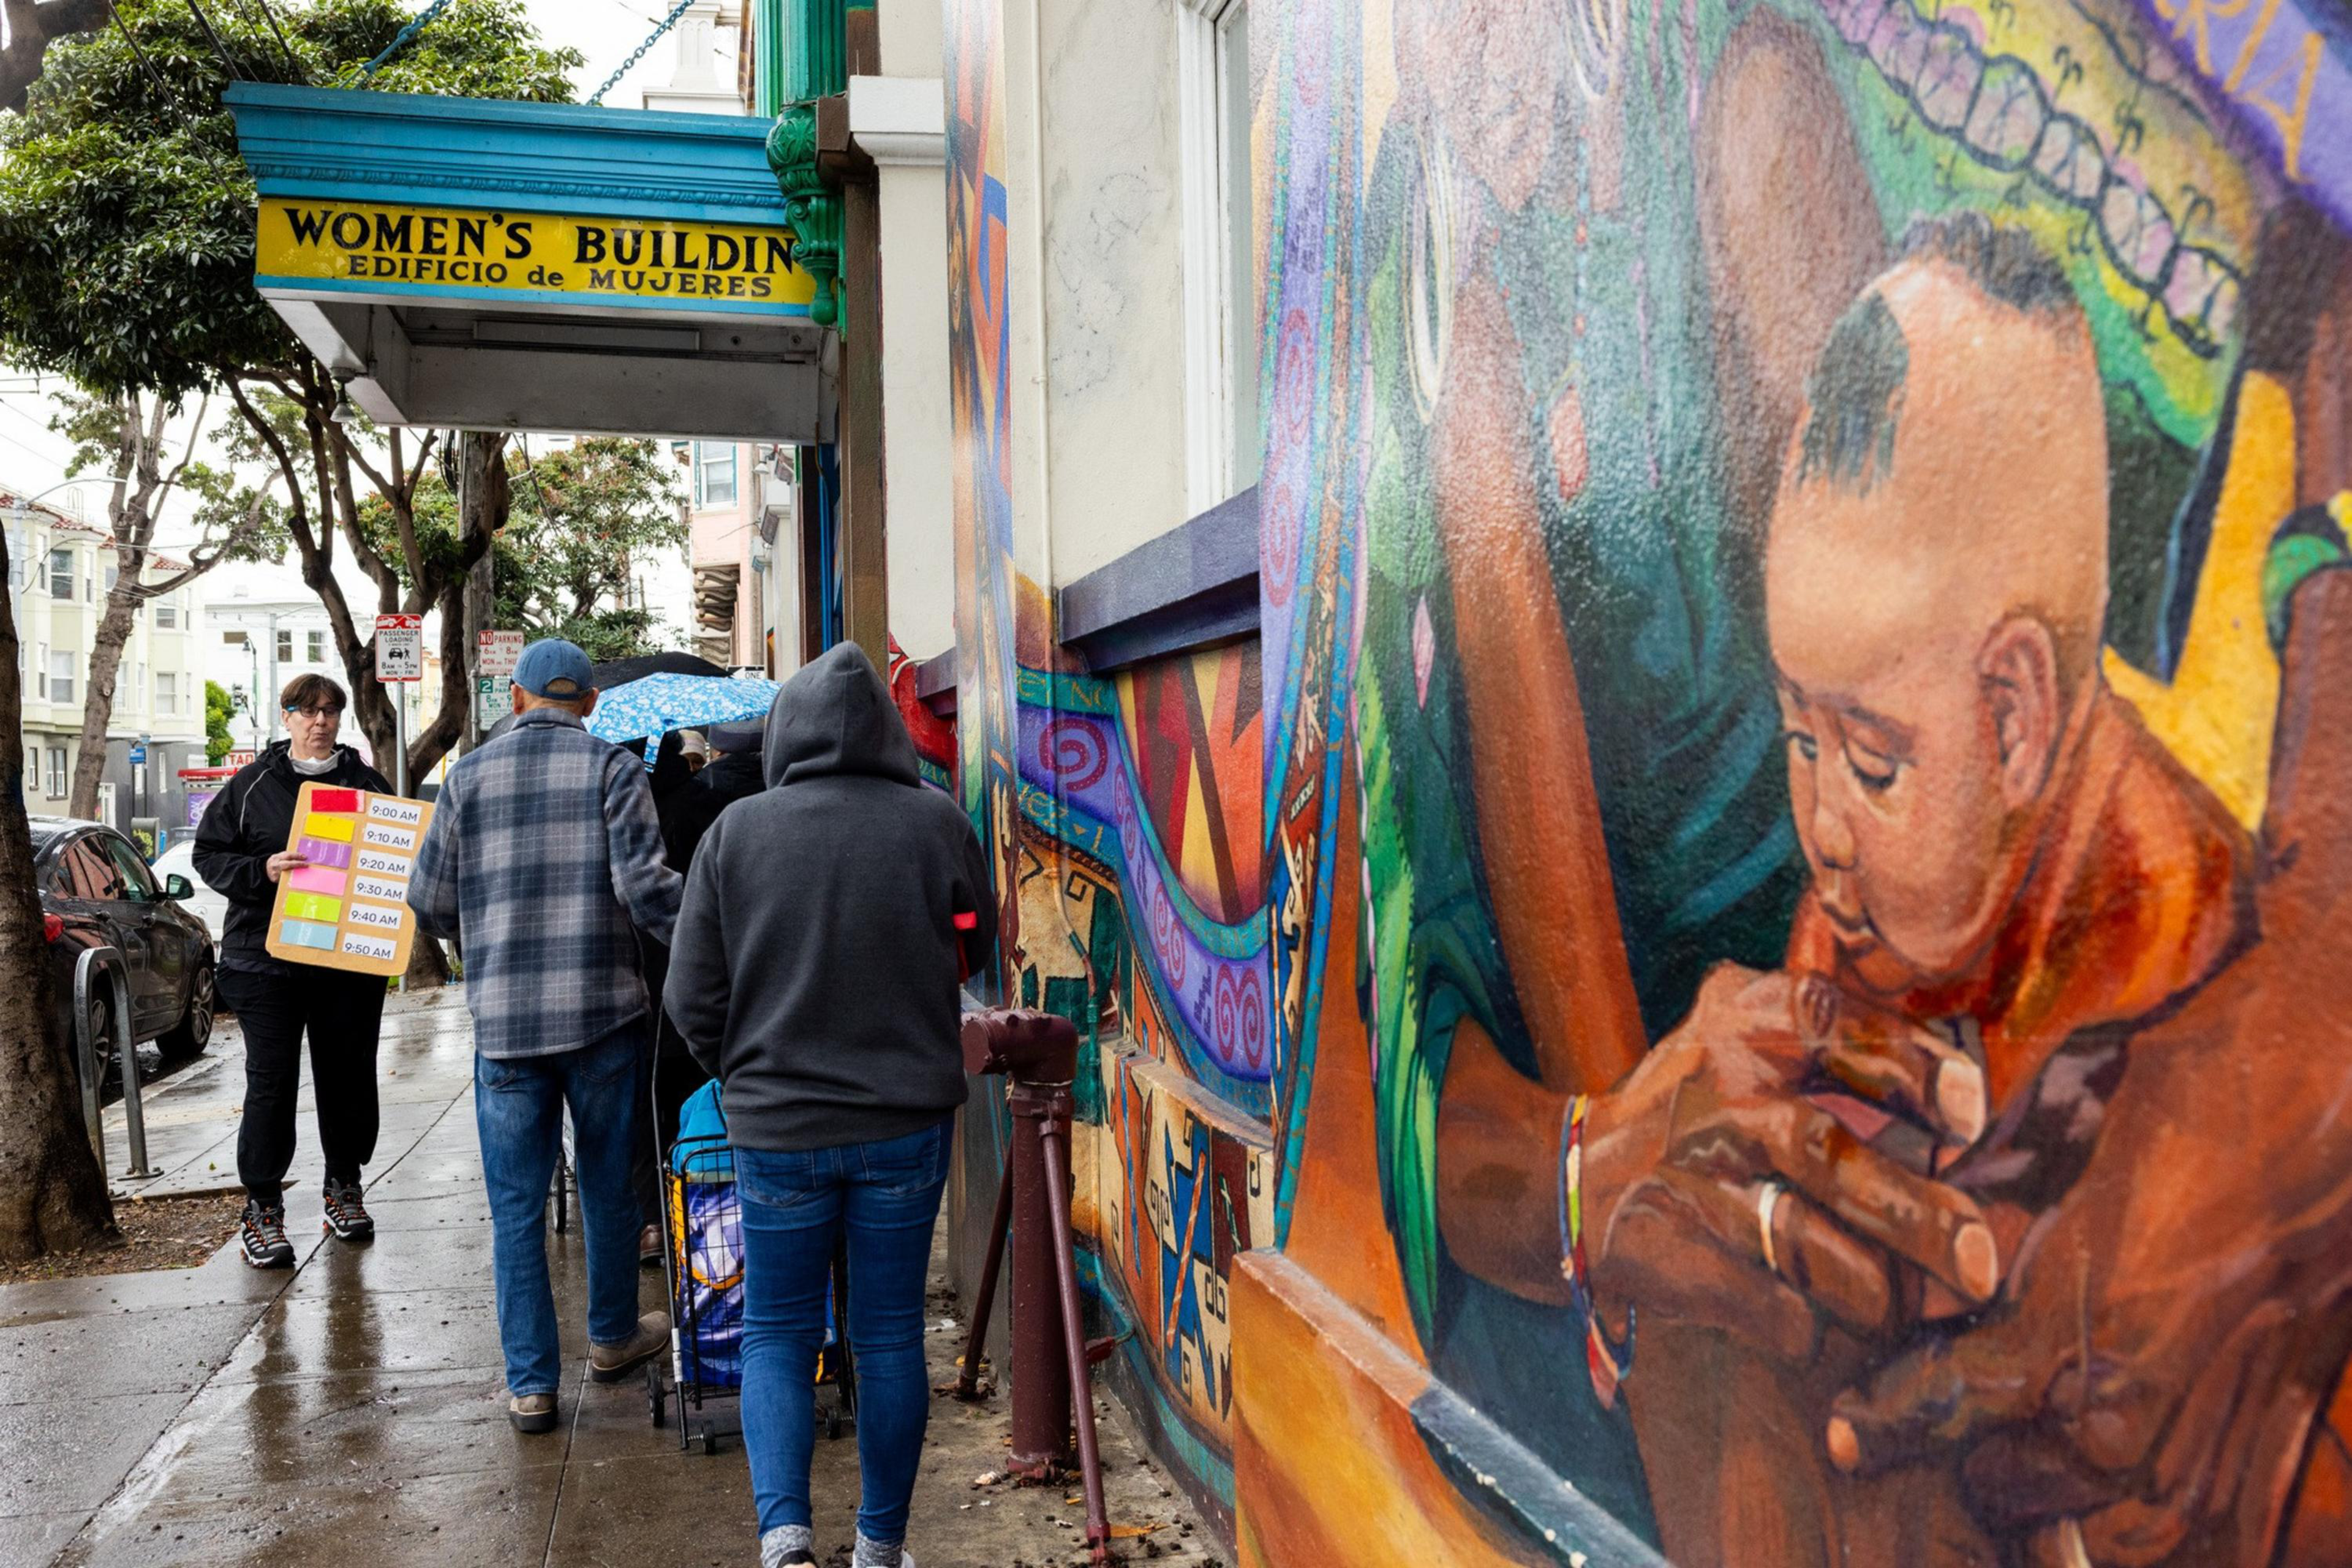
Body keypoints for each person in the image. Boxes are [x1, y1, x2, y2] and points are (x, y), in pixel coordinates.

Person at [1433, 216, 2255, 1564]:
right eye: (1796, 735)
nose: (1818, 823)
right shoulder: (1897, 882)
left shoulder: (2153, 938)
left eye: (1868, 758)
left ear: (2013, 714)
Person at [665, 641, 996, 1568]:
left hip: (778, 1132)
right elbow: (975, 940)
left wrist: (745, 1075)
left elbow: (691, 998)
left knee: (778, 1327)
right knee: (887, 1333)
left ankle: (784, 1542)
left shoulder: (736, 835)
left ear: (787, 735)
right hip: (906, 1125)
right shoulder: (937, 825)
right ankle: (880, 1550)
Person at [407, 638, 683, 1435]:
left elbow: (429, 900)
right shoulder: (613, 770)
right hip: (603, 1017)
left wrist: (483, 934)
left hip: (506, 1028)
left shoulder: (467, 778)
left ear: (519, 700)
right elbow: (645, 892)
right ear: (591, 702)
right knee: (606, 1186)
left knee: (518, 1207)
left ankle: (531, 1386)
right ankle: (609, 1337)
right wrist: (707, 930)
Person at [193, 674, 394, 1269]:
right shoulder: (253, 785)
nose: (321, 721)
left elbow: (395, 854)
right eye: (308, 711)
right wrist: (263, 870)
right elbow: (210, 854)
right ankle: (262, 1207)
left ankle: (344, 1187)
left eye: (331, 710)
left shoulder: (365, 783)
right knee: (272, 1082)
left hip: (345, 964)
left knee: (347, 1078)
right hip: (266, 964)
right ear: (287, 718)